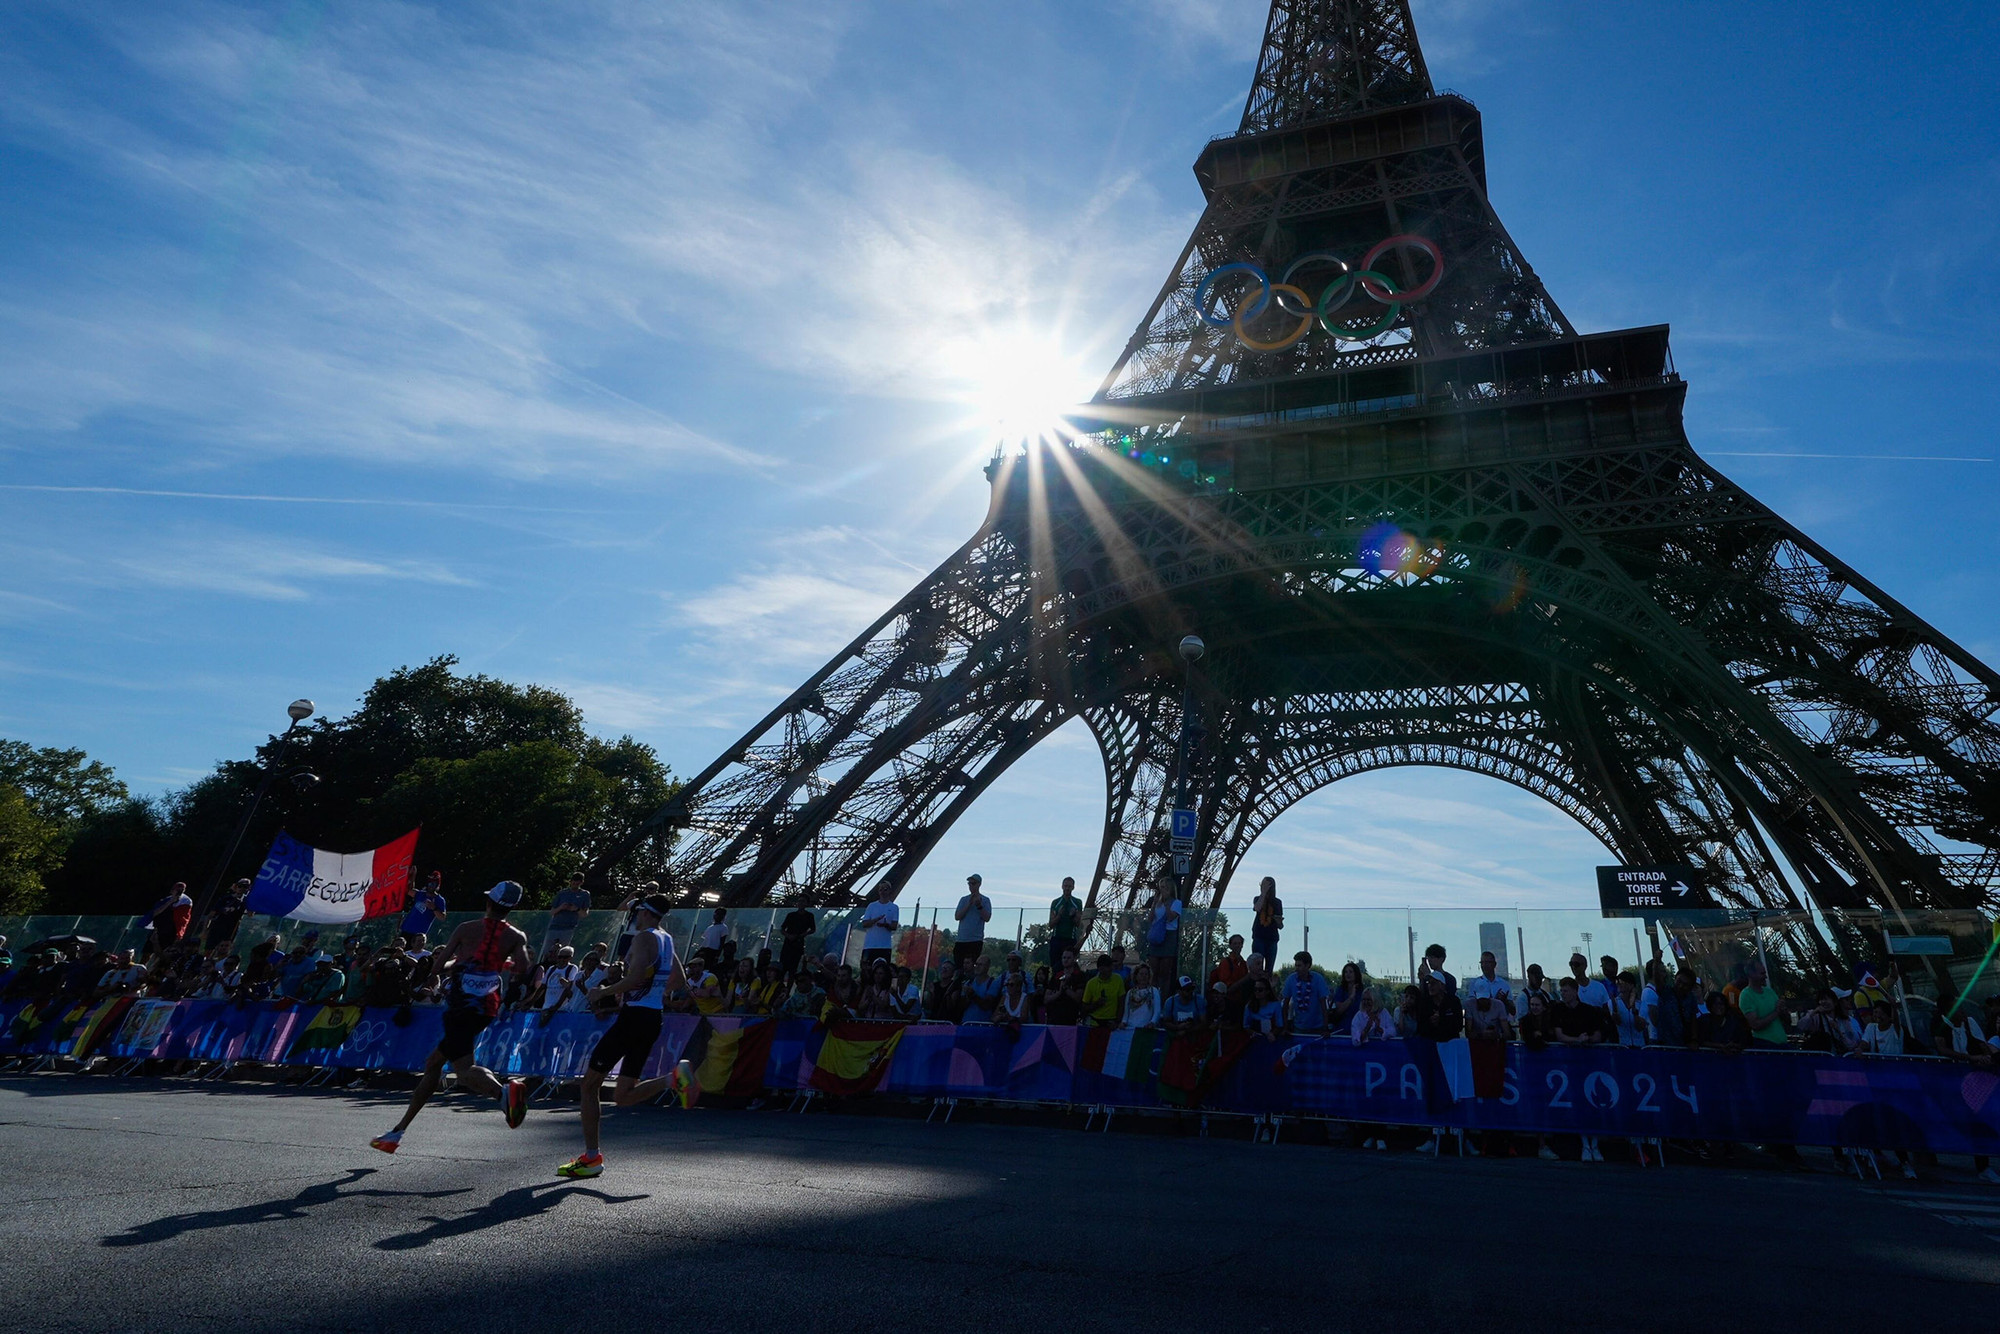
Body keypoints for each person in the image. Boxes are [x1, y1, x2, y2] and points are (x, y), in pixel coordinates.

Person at [371, 881, 533, 1155]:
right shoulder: (516, 935)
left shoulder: (466, 929)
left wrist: (452, 965)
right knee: (434, 1062)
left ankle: (504, 1093)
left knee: (464, 1071)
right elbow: (523, 968)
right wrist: (500, 963)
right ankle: (397, 1132)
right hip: (486, 1008)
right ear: (511, 908)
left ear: (488, 902)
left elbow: (437, 966)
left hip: (460, 1006)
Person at [559, 894, 690, 1179]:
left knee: (589, 1085)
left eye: (637, 911)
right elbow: (678, 980)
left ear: (644, 912)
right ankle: (673, 1079)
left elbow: (635, 979)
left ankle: (591, 1158)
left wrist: (603, 992)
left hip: (634, 1017)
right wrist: (653, 990)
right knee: (623, 1096)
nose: (634, 916)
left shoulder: (644, 938)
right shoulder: (667, 939)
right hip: (652, 1017)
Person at [541, 872, 593, 962]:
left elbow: (585, 914)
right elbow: (552, 912)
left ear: (581, 883)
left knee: (563, 953)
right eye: (573, 882)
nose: (575, 884)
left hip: (569, 928)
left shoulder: (584, 894)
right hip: (555, 926)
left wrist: (576, 909)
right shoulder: (562, 893)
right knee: (547, 952)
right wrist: (561, 907)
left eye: (577, 883)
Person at [1736, 959, 1788, 1048]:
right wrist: (1776, 1012)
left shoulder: (1770, 992)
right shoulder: (1746, 995)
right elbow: (1755, 1025)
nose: (1765, 977)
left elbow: (1786, 1020)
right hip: (1764, 1045)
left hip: (1782, 1044)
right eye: (1762, 974)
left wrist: (1783, 1010)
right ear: (1751, 975)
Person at [1144, 874, 1182, 990]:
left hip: (1168, 936)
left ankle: (1163, 995)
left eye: (1165, 887)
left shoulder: (1176, 903)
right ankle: (1153, 993)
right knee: (1153, 970)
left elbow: (1170, 918)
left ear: (1170, 889)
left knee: (1165, 972)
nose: (1162, 890)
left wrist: (1166, 904)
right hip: (1157, 935)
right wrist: (1154, 904)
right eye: (1161, 887)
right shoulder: (1157, 903)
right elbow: (1150, 919)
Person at [1281, 952, 1332, 1035]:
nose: (1296, 969)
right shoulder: (1291, 979)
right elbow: (1285, 1005)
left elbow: (1324, 1004)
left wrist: (1325, 1028)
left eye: (1299, 966)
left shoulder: (1318, 979)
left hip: (1318, 1028)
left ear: (1307, 965)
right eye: (1296, 965)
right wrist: (1285, 1028)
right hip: (1298, 1028)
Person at [143, 883, 194, 961]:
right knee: (147, 953)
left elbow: (183, 919)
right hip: (158, 929)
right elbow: (155, 913)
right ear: (172, 890)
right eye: (177, 890)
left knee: (162, 954)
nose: (178, 892)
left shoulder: (186, 901)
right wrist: (170, 901)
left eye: (181, 890)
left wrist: (179, 934)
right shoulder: (165, 900)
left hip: (170, 932)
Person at [1208, 935, 1249, 1024]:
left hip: (1241, 1002)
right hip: (1228, 1004)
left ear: (1242, 945)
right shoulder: (1225, 963)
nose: (1237, 946)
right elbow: (1226, 989)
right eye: (1235, 943)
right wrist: (1247, 978)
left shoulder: (1244, 964)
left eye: (1239, 943)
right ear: (1230, 946)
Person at [954, 874, 991, 969]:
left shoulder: (985, 900)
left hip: (975, 940)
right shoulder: (964, 899)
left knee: (973, 968)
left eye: (973, 883)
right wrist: (969, 904)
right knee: (959, 967)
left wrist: (979, 906)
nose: (971, 886)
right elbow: (957, 916)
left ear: (979, 884)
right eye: (969, 883)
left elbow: (987, 918)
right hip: (961, 940)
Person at [401, 872, 447, 948]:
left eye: (433, 884)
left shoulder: (439, 900)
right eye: (429, 883)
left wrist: (434, 908)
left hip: (419, 935)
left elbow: (442, 917)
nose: (431, 886)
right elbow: (408, 890)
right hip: (406, 929)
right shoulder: (420, 894)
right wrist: (413, 876)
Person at [203, 879, 251, 952]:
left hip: (230, 932)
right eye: (240, 886)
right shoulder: (225, 898)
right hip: (216, 928)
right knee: (209, 950)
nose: (242, 888)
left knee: (223, 951)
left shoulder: (246, 902)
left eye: (245, 887)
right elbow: (210, 915)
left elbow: (250, 914)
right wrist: (205, 930)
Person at [859, 882, 899, 968]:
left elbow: (894, 926)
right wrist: (876, 920)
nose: (883, 892)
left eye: (885, 889)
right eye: (881, 889)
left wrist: (886, 925)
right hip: (871, 945)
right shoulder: (871, 906)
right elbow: (865, 924)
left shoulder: (894, 907)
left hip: (882, 946)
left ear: (889, 891)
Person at [1048, 877, 1083, 972]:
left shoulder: (1077, 902)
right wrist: (1059, 915)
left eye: (1069, 886)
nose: (1067, 888)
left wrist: (1073, 916)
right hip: (1057, 938)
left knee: (1069, 966)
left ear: (1073, 887)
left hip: (1070, 939)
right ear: (1062, 886)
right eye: (1066, 886)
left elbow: (1078, 924)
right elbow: (1051, 924)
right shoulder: (1056, 902)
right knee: (1055, 967)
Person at [1083, 954, 1126, 1027]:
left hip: (1112, 1022)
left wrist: (1117, 1022)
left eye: (1111, 967)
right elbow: (1084, 1007)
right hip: (1094, 1022)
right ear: (1100, 969)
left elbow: (1121, 1003)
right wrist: (1096, 1004)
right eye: (1107, 967)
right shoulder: (1091, 983)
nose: (1110, 969)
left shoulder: (1118, 979)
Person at [1250, 877, 1283, 969]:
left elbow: (1280, 925)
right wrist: (1263, 894)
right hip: (1259, 936)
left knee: (1269, 967)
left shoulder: (1277, 902)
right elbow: (1257, 908)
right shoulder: (1257, 899)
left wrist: (1278, 921)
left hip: (1272, 938)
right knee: (1257, 966)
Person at [778, 902, 816, 978]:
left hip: (797, 943)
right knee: (784, 966)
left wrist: (802, 935)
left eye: (803, 901)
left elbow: (813, 929)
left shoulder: (809, 916)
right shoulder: (791, 915)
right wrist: (789, 936)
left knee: (792, 968)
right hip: (789, 943)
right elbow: (782, 929)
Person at [962, 955, 1002, 1023]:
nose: (977, 967)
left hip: (983, 1025)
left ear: (987, 967)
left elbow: (987, 1005)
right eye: (976, 964)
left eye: (980, 965)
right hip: (966, 1023)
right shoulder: (968, 983)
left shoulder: (993, 983)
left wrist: (972, 995)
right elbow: (961, 1006)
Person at [1121, 963, 1161, 1029]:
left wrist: (1152, 1022)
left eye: (1146, 974)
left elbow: (1157, 1011)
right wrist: (1123, 1022)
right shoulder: (1130, 992)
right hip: (1130, 1028)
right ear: (1136, 976)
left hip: (1146, 1028)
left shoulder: (1154, 991)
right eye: (1141, 974)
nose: (1144, 977)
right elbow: (1126, 1013)